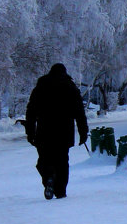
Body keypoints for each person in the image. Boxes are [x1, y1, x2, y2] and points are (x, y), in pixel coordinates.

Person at [24, 63, 88, 200]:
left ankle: (48, 177)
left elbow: (31, 111)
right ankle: (60, 191)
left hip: (44, 130)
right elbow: (80, 113)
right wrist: (83, 132)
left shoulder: (40, 87)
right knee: (62, 161)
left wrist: (30, 131)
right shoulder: (71, 87)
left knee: (44, 160)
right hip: (64, 131)